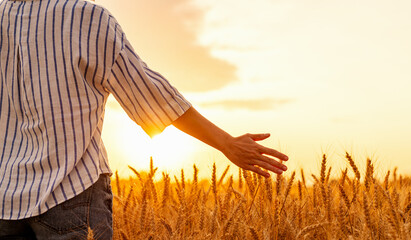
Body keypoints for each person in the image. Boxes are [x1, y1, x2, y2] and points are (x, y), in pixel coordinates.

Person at [0, 0, 289, 239]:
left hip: (6, 199)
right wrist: (226, 142)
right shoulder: (86, 18)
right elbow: (149, 93)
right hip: (71, 192)